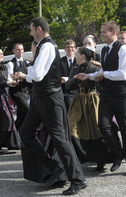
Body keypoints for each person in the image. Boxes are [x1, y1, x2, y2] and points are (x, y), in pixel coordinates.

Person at [12, 17, 87, 195]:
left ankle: (78, 179)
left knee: (60, 138)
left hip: (51, 98)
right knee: (26, 134)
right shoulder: (43, 46)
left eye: (31, 29)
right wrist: (28, 74)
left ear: (38, 29)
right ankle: (53, 168)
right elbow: (37, 74)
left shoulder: (46, 46)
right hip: (40, 98)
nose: (30, 33)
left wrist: (24, 75)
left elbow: (37, 74)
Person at [75, 21, 126, 176]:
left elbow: (123, 74)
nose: (101, 35)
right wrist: (88, 76)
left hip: (122, 95)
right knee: (103, 125)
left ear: (113, 33)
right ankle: (118, 155)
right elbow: (104, 71)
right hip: (106, 94)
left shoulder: (124, 50)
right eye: (101, 32)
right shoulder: (103, 50)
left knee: (125, 128)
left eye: (104, 32)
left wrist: (104, 74)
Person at [66, 46, 113, 171]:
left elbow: (100, 84)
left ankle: (101, 160)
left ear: (82, 56)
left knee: (95, 128)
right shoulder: (75, 67)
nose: (74, 56)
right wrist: (75, 79)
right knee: (73, 127)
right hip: (78, 100)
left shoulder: (94, 67)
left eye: (76, 54)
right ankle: (81, 156)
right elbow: (67, 85)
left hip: (91, 99)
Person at [6, 43, 29, 132]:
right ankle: (13, 130)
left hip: (24, 92)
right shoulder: (10, 64)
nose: (20, 51)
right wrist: (15, 81)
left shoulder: (26, 63)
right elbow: (9, 79)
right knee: (27, 110)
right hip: (15, 92)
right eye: (18, 49)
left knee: (21, 113)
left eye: (22, 49)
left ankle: (17, 136)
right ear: (14, 51)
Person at [60, 39, 77, 112]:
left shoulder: (78, 60)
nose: (70, 49)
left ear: (75, 48)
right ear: (64, 49)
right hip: (65, 92)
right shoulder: (60, 61)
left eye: (72, 47)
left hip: (77, 91)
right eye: (67, 47)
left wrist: (67, 79)